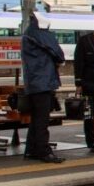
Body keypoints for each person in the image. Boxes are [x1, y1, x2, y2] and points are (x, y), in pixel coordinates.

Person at [21, 12, 66, 163]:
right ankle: (44, 151)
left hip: (34, 83)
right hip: (43, 82)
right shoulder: (39, 34)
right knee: (42, 120)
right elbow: (58, 53)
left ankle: (31, 149)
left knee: (36, 119)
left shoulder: (28, 34)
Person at [73, 30, 94, 152]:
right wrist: (78, 83)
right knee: (89, 115)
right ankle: (92, 141)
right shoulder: (85, 41)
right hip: (89, 84)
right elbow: (78, 62)